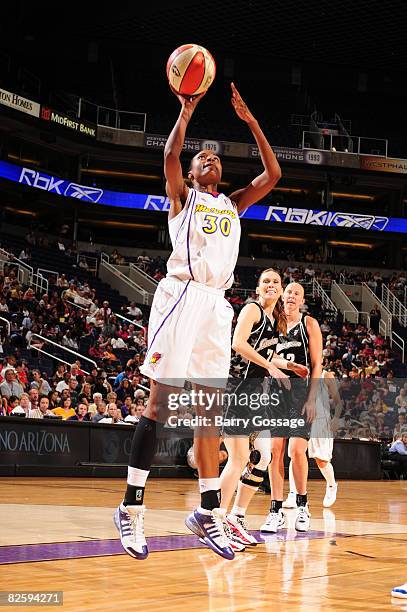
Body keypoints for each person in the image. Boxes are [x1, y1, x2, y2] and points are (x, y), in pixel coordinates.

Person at [114, 81, 282, 562]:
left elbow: (273, 173)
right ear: (189, 173)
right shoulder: (183, 197)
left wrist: (251, 122)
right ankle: (131, 506)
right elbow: (169, 155)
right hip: (181, 295)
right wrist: (185, 112)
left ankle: (208, 510)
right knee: (162, 403)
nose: (209, 158)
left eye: (215, 157)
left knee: (210, 409)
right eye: (201, 157)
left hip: (215, 305)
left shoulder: (232, 203)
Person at [219, 268, 307, 550]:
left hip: (258, 397)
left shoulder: (274, 319)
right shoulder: (252, 310)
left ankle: (236, 517)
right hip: (238, 392)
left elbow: (268, 355)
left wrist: (289, 365)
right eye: (266, 281)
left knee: (264, 457)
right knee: (238, 458)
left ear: (281, 290)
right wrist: (271, 366)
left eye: (276, 282)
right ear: (257, 288)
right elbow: (238, 344)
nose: (271, 285)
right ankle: (214, 518)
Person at [262, 282, 322, 533]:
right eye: (288, 293)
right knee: (275, 451)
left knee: (297, 451)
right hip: (276, 394)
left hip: (300, 394)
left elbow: (316, 364)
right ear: (282, 297)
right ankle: (275, 509)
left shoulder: (309, 324)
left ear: (302, 299)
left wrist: (311, 399)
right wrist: (288, 366)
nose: (292, 296)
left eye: (297, 293)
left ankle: (302, 505)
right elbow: (266, 357)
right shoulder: (273, 324)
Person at [283, 369, 343, 509]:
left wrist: (335, 419)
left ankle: (332, 485)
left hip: (321, 421)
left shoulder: (326, 375)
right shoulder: (299, 372)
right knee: (295, 455)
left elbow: (338, 403)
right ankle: (293, 494)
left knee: (321, 460)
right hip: (301, 418)